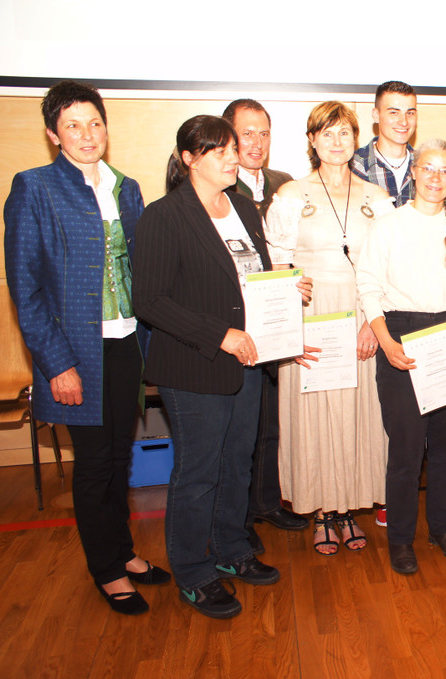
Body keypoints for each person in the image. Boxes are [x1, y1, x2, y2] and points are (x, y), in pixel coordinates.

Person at [4, 80, 170, 616]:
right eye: (72, 125)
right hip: (76, 352)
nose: (86, 134)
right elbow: (25, 288)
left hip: (126, 344)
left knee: (119, 457)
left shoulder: (126, 187)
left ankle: (124, 552)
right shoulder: (35, 187)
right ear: (54, 134)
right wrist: (57, 364)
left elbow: (142, 269)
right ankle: (106, 569)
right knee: (95, 463)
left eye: (94, 122)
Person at [133, 115, 305, 618]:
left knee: (238, 462)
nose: (234, 157)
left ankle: (232, 549)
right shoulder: (164, 216)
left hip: (247, 361)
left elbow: (251, 278)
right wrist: (220, 335)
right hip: (195, 364)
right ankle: (193, 571)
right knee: (199, 472)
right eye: (220, 150)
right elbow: (150, 301)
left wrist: (285, 283)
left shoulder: (244, 208)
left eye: (234, 148)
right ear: (189, 159)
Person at [264, 101, 391, 555]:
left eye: (345, 133)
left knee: (359, 413)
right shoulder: (291, 195)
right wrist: (289, 328)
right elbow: (276, 265)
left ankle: (349, 506)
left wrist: (373, 325)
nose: (337, 142)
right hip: (311, 317)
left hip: (363, 315)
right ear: (312, 140)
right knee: (314, 416)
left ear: (356, 139)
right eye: (327, 133)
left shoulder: (378, 198)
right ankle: (321, 510)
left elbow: (387, 267)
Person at [356, 138, 446, 576]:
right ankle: (400, 539)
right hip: (400, 336)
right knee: (406, 451)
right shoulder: (387, 225)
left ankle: (441, 528)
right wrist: (386, 341)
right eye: (428, 168)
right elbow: (368, 285)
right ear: (414, 172)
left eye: (445, 171)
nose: (435, 178)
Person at [221, 98, 307, 553]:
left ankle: (267, 501)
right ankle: (237, 517)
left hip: (279, 318)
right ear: (228, 138)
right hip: (235, 323)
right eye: (246, 134)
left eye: (264, 133)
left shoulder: (284, 184)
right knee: (239, 431)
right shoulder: (217, 184)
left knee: (272, 418)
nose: (256, 143)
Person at [351, 80, 417, 207]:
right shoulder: (355, 167)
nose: (404, 122)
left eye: (410, 113)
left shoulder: (425, 167)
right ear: (376, 115)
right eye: (394, 113)